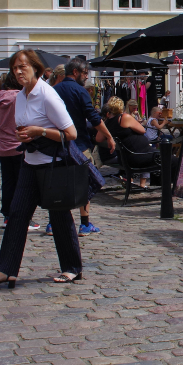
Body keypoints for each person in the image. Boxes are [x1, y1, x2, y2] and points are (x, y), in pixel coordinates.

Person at [0, 50, 82, 288]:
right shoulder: (21, 96)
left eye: (22, 67)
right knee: (16, 215)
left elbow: (71, 134)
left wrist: (40, 131)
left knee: (59, 218)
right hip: (30, 163)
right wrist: (24, 135)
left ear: (36, 68)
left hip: (52, 166)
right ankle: (7, 270)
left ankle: (72, 269)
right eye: (14, 68)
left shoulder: (47, 95)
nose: (17, 72)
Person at [53, 57, 115, 236]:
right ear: (75, 72)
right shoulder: (80, 92)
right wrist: (109, 136)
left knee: (60, 183)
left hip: (58, 143)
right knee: (84, 182)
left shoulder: (54, 90)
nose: (86, 77)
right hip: (79, 145)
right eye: (85, 73)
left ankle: (53, 223)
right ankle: (84, 223)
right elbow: (94, 118)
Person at [0, 71, 39, 231]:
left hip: (2, 145)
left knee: (8, 182)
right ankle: (22, 217)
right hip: (18, 145)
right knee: (23, 184)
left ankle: (8, 215)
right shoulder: (19, 97)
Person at [97, 96, 156, 189]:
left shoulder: (107, 122)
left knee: (151, 153)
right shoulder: (124, 118)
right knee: (161, 157)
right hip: (131, 158)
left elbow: (98, 139)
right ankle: (151, 185)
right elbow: (142, 130)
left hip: (122, 157)